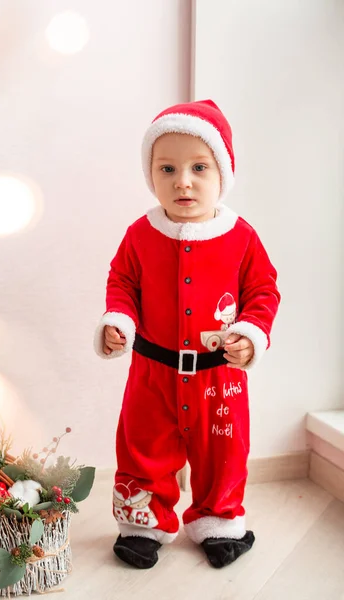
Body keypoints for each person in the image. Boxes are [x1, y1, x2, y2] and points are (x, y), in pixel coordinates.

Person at [94, 99, 280, 569]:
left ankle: (218, 521)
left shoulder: (241, 237)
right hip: (152, 371)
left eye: (199, 167)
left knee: (224, 452)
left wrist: (251, 332)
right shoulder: (140, 234)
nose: (183, 181)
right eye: (167, 168)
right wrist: (118, 322)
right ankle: (143, 524)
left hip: (220, 377)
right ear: (151, 174)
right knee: (143, 448)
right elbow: (122, 283)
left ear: (223, 172)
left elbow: (263, 290)